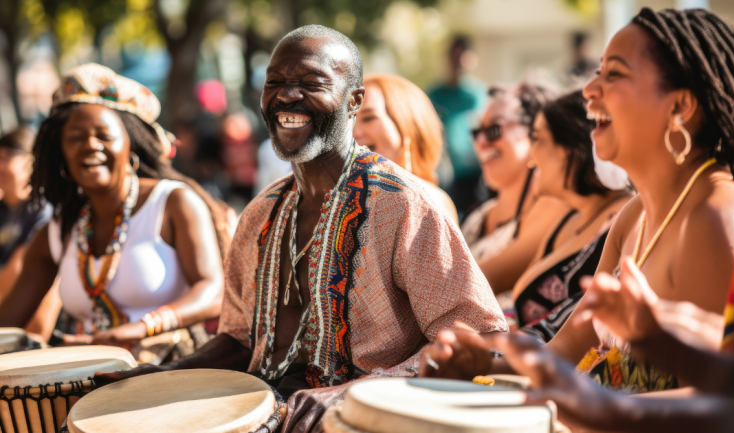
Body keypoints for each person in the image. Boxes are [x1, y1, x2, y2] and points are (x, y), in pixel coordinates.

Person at [99, 25, 507, 433]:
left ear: (354, 101)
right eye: (275, 82)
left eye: (311, 83)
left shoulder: (400, 204)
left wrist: (352, 391)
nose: (287, 96)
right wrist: (164, 374)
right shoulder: (261, 212)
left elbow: (480, 340)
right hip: (264, 408)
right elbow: (243, 342)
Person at [421, 6, 734, 394]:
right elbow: (568, 349)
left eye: (615, 75)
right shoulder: (634, 215)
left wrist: (584, 409)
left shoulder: (716, 216)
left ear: (679, 106)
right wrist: (483, 360)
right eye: (598, 73)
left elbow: (719, 404)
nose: (590, 90)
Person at [0, 63, 232, 363]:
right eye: (75, 138)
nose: (90, 146)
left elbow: (213, 292)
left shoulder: (172, 202)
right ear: (61, 153)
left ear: (130, 146)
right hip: (90, 379)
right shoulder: (58, 230)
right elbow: (8, 323)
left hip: (173, 371)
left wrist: (140, 329)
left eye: (104, 135)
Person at [512, 91, 632, 341]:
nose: (530, 155)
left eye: (537, 139)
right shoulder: (569, 218)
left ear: (571, 146)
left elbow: (570, 334)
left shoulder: (624, 217)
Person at [461, 83, 570, 321]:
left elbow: (480, 282)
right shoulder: (478, 217)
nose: (481, 142)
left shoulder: (554, 206)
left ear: (537, 131)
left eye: (494, 130)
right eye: (476, 133)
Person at [353, 73, 458, 223]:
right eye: (350, 121)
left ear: (407, 124)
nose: (355, 133)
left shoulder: (432, 203)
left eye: (369, 118)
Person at [0, 127, 59, 340]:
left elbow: (18, 273)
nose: (0, 166)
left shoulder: (42, 209)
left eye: (6, 158)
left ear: (30, 162)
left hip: (35, 328)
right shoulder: (3, 209)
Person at [428, 36, 488, 215]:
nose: (458, 62)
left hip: (476, 172)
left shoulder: (478, 95)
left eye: (463, 56)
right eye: (455, 56)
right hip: (444, 171)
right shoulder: (436, 94)